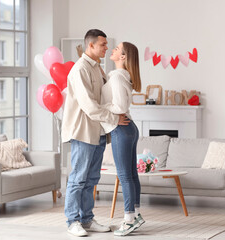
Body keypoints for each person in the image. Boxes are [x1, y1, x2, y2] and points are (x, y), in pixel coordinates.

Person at [61, 29, 129, 237]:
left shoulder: (98, 68)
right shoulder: (80, 69)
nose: (106, 48)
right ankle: (72, 221)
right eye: (103, 45)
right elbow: (89, 106)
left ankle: (87, 219)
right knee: (78, 178)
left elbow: (105, 99)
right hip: (83, 131)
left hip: (98, 131)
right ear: (90, 45)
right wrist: (114, 119)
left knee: (91, 179)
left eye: (107, 44)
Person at [100, 42, 145, 236]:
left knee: (125, 176)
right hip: (129, 128)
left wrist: (104, 110)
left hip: (121, 127)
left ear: (124, 56)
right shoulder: (122, 77)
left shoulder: (117, 77)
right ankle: (135, 214)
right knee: (131, 174)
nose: (113, 50)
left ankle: (128, 220)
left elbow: (118, 107)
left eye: (117, 49)